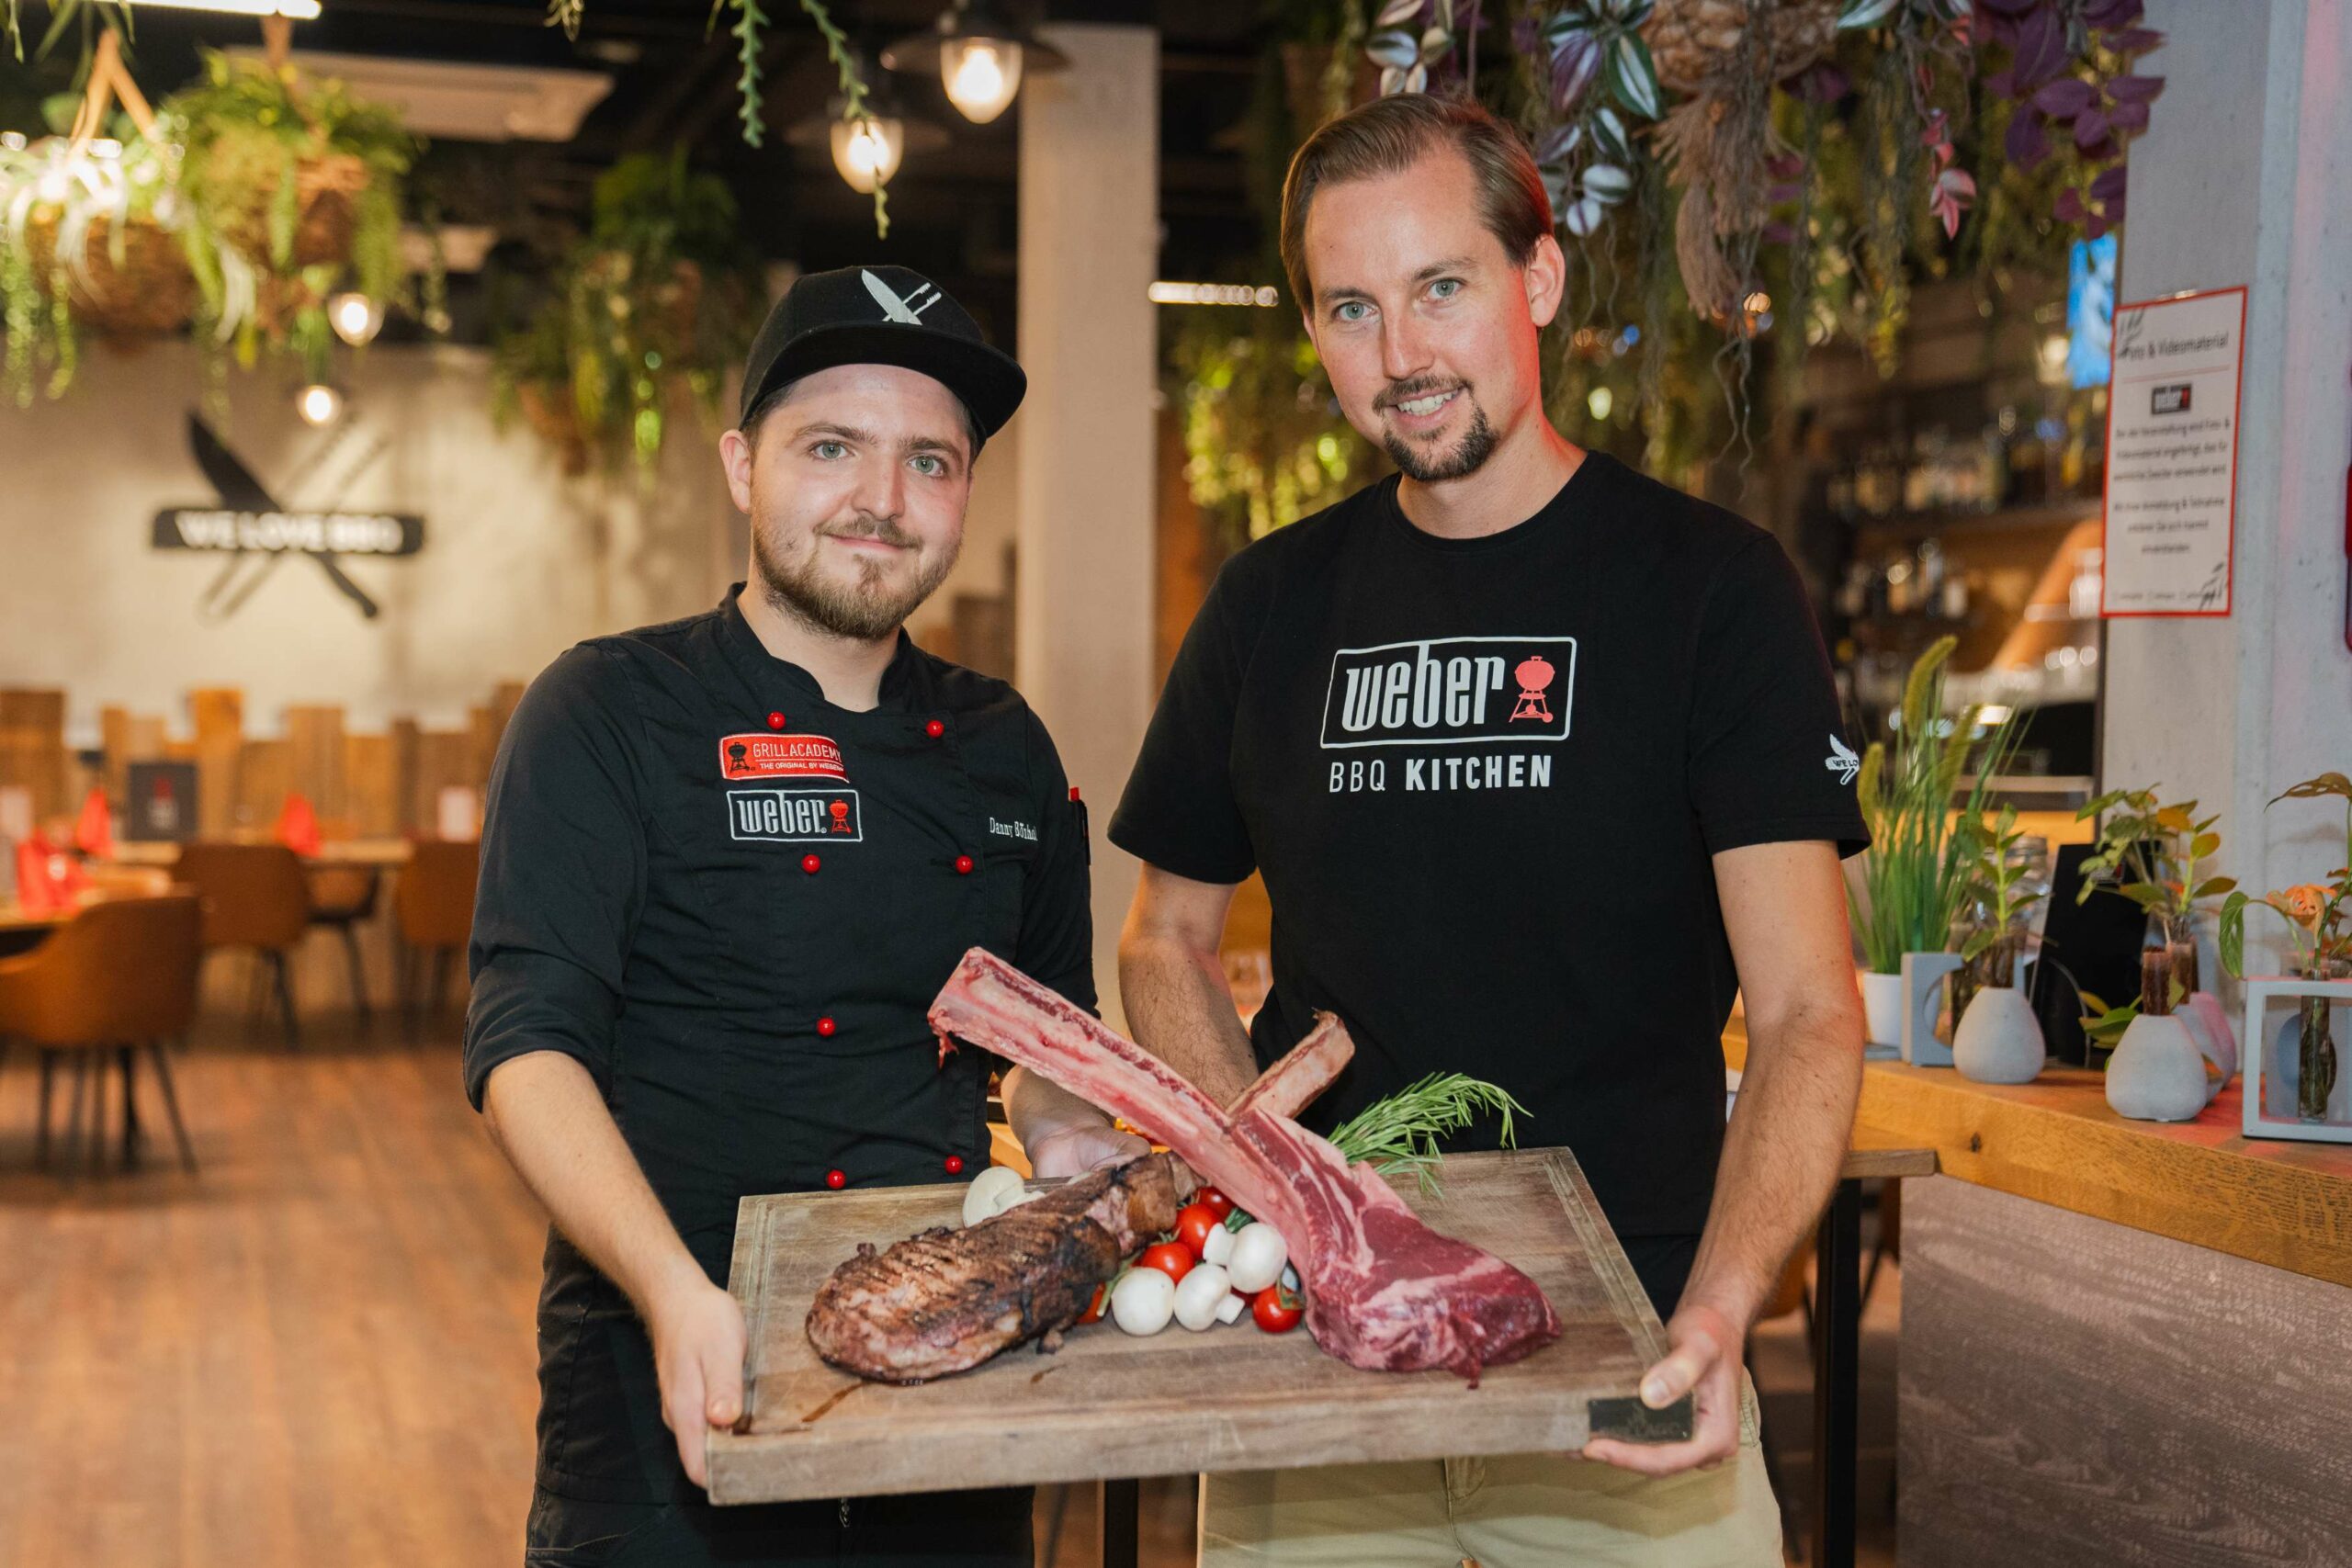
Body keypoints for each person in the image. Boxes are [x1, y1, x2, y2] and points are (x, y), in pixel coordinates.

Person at [1106, 95, 1871, 1564]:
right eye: (1352, 308)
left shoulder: (1711, 592)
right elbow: (1166, 939)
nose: (1402, 353)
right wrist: (1276, 1191)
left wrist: (1720, 1310)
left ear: (1540, 279)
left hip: (1628, 1356)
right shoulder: (1269, 606)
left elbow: (1807, 1011)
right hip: (1317, 1353)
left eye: (1441, 287)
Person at [462, 265, 1146, 1567]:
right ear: (742, 467)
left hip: (952, 1368)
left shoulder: (1005, 746)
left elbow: (1047, 1046)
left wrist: (1070, 1140)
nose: (882, 499)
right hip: (668, 1374)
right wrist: (672, 1291)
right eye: (832, 447)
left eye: (930, 461)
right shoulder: (607, 712)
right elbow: (525, 1049)